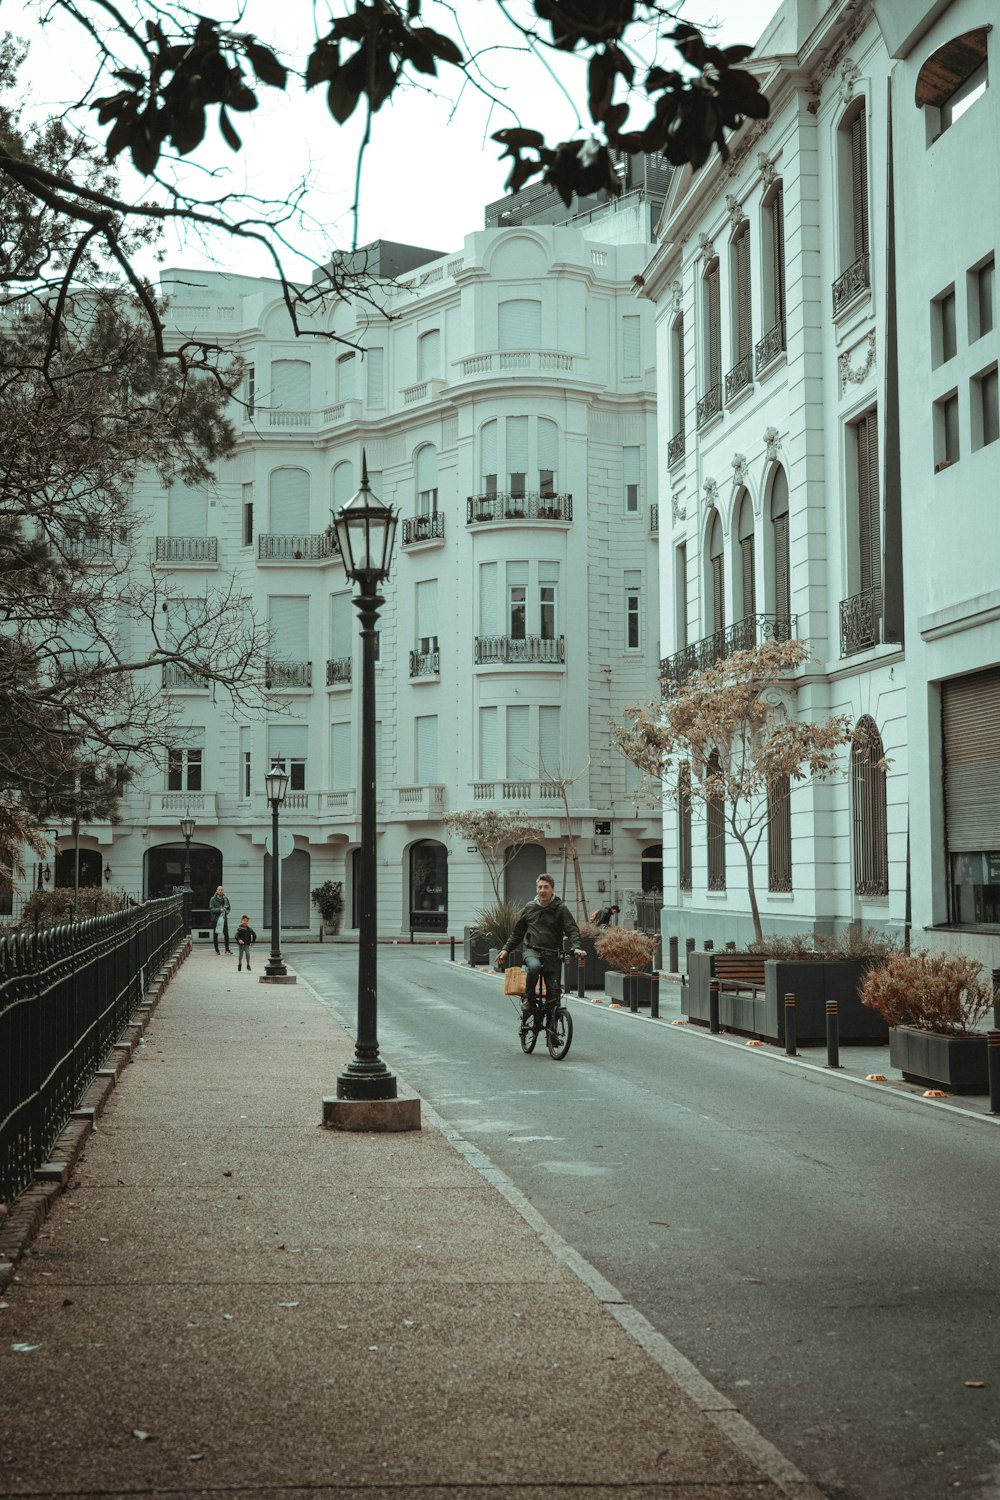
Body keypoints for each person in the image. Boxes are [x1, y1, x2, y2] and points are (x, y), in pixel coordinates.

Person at [497, 874, 586, 1010]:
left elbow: (572, 930)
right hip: (532, 951)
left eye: (546, 887)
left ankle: (552, 1025)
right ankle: (529, 999)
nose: (542, 890)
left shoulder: (561, 909)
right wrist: (505, 949)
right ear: (536, 889)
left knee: (553, 995)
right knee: (534, 967)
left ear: (552, 889)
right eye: (540, 887)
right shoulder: (529, 907)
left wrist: (576, 947)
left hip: (553, 954)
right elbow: (518, 932)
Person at [209, 885, 232, 954]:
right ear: (217, 891)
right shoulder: (212, 899)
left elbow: (229, 907)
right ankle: (217, 950)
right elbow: (211, 909)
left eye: (221, 890)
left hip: (223, 919)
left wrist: (226, 911)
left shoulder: (225, 899)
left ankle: (227, 949)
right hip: (215, 920)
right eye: (219, 890)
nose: (220, 891)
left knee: (226, 934)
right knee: (216, 935)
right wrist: (219, 910)